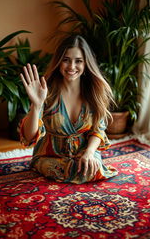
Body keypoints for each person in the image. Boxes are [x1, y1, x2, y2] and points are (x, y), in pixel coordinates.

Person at [19, 34, 118, 184]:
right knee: (68, 170)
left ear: (86, 64)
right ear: (59, 62)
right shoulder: (46, 91)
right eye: (66, 60)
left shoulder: (94, 91)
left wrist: (89, 153)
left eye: (78, 61)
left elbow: (98, 130)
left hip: (85, 152)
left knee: (92, 169)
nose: (71, 66)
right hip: (51, 156)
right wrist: (36, 104)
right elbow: (29, 136)